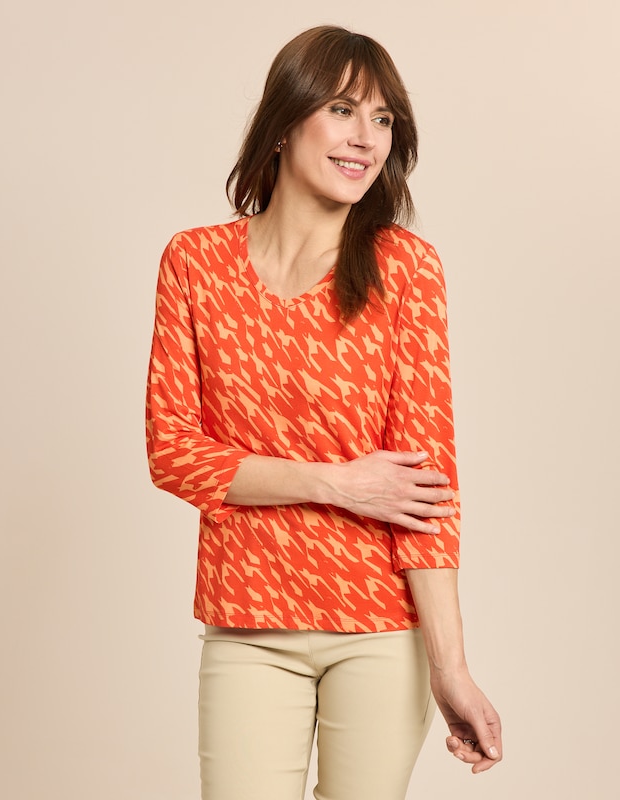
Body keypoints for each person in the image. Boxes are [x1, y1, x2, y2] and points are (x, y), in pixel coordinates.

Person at [146, 24, 502, 800]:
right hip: (249, 623)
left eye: (383, 119)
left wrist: (452, 667)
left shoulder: (406, 269)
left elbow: (426, 491)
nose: (366, 138)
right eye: (343, 109)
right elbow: (172, 451)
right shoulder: (195, 263)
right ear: (283, 122)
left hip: (381, 631)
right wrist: (334, 483)